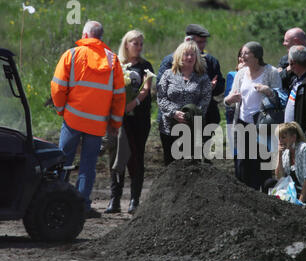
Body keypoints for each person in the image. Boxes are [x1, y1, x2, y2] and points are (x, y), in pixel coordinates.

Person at [51, 21, 126, 218]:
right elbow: (119, 96)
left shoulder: (71, 55)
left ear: (85, 35)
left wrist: (61, 110)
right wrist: (115, 123)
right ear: (100, 37)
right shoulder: (113, 61)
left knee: (63, 161)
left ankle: (56, 202)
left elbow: (58, 87)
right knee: (88, 165)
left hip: (72, 120)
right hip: (97, 123)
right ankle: (82, 206)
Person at [105, 30, 154, 215]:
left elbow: (146, 88)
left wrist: (134, 102)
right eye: (135, 43)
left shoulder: (145, 65)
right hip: (118, 119)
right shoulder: (115, 64)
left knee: (136, 156)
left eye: (141, 44)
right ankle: (114, 199)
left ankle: (134, 200)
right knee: (116, 157)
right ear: (127, 44)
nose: (139, 47)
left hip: (138, 119)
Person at [157, 24, 225, 157]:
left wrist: (212, 88)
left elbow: (219, 87)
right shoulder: (170, 61)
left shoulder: (210, 61)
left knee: (197, 158)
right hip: (171, 121)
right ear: (188, 40)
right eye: (198, 42)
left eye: (204, 42)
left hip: (201, 118)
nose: (202, 46)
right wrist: (174, 113)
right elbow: (161, 91)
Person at [224, 41, 281, 190]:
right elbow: (230, 96)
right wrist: (229, 100)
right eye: (241, 53)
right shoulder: (241, 73)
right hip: (242, 122)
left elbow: (280, 97)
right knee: (243, 162)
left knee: (261, 161)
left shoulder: (271, 72)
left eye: (246, 53)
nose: (242, 56)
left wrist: (268, 90)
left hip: (263, 123)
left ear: (257, 56)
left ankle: (263, 195)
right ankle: (245, 195)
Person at [157, 40, 212, 165]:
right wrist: (174, 113)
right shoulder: (168, 74)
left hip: (192, 127)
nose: (190, 57)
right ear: (179, 56)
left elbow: (205, 99)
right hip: (169, 127)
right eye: (186, 54)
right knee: (171, 164)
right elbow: (161, 98)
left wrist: (191, 115)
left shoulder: (203, 77)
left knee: (191, 165)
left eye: (193, 54)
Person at [263, 122, 306, 207]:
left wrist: (299, 203)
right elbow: (279, 178)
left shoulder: (305, 149)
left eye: (283, 137)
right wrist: (279, 154)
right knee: (269, 183)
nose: (280, 141)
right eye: (279, 138)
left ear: (293, 137)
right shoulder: (286, 152)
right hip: (295, 189)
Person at [223, 46, 245, 152]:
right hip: (234, 116)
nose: (242, 58)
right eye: (240, 55)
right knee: (237, 152)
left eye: (245, 55)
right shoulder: (232, 75)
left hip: (252, 119)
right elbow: (229, 101)